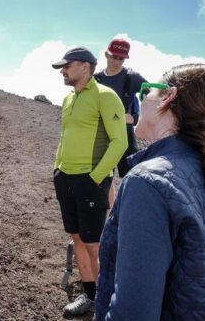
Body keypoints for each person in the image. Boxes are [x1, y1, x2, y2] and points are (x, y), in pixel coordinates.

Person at [95, 64, 205, 320]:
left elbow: (132, 314)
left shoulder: (148, 182)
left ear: (169, 96)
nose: (142, 101)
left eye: (146, 92)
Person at [52, 47, 128, 317]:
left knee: (96, 243)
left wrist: (95, 178)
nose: (63, 70)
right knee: (78, 238)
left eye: (67, 66)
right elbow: (64, 137)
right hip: (66, 179)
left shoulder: (106, 97)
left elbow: (120, 141)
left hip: (91, 180)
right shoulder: (68, 99)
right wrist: (57, 169)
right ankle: (91, 295)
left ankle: (110, 300)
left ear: (85, 66)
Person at [94, 39, 147, 206]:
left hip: (125, 135)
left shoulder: (133, 78)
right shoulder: (96, 79)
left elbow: (153, 97)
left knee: (131, 177)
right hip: (102, 135)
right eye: (113, 57)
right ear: (106, 54)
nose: (116, 61)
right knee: (103, 176)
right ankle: (109, 213)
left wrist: (136, 118)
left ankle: (129, 213)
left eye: (121, 59)